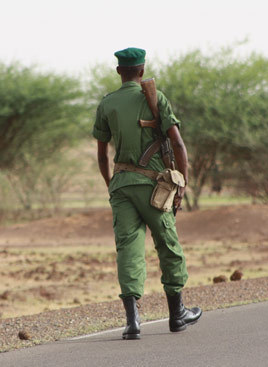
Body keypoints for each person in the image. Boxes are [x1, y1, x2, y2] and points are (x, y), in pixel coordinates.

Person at [92, 47, 202, 340]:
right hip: (155, 187)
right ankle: (177, 314)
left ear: (119, 71)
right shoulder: (155, 97)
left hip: (121, 185)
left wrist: (111, 183)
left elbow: (102, 155)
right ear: (142, 70)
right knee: (167, 243)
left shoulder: (107, 104)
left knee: (128, 249)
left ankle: (132, 323)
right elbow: (178, 144)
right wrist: (183, 181)